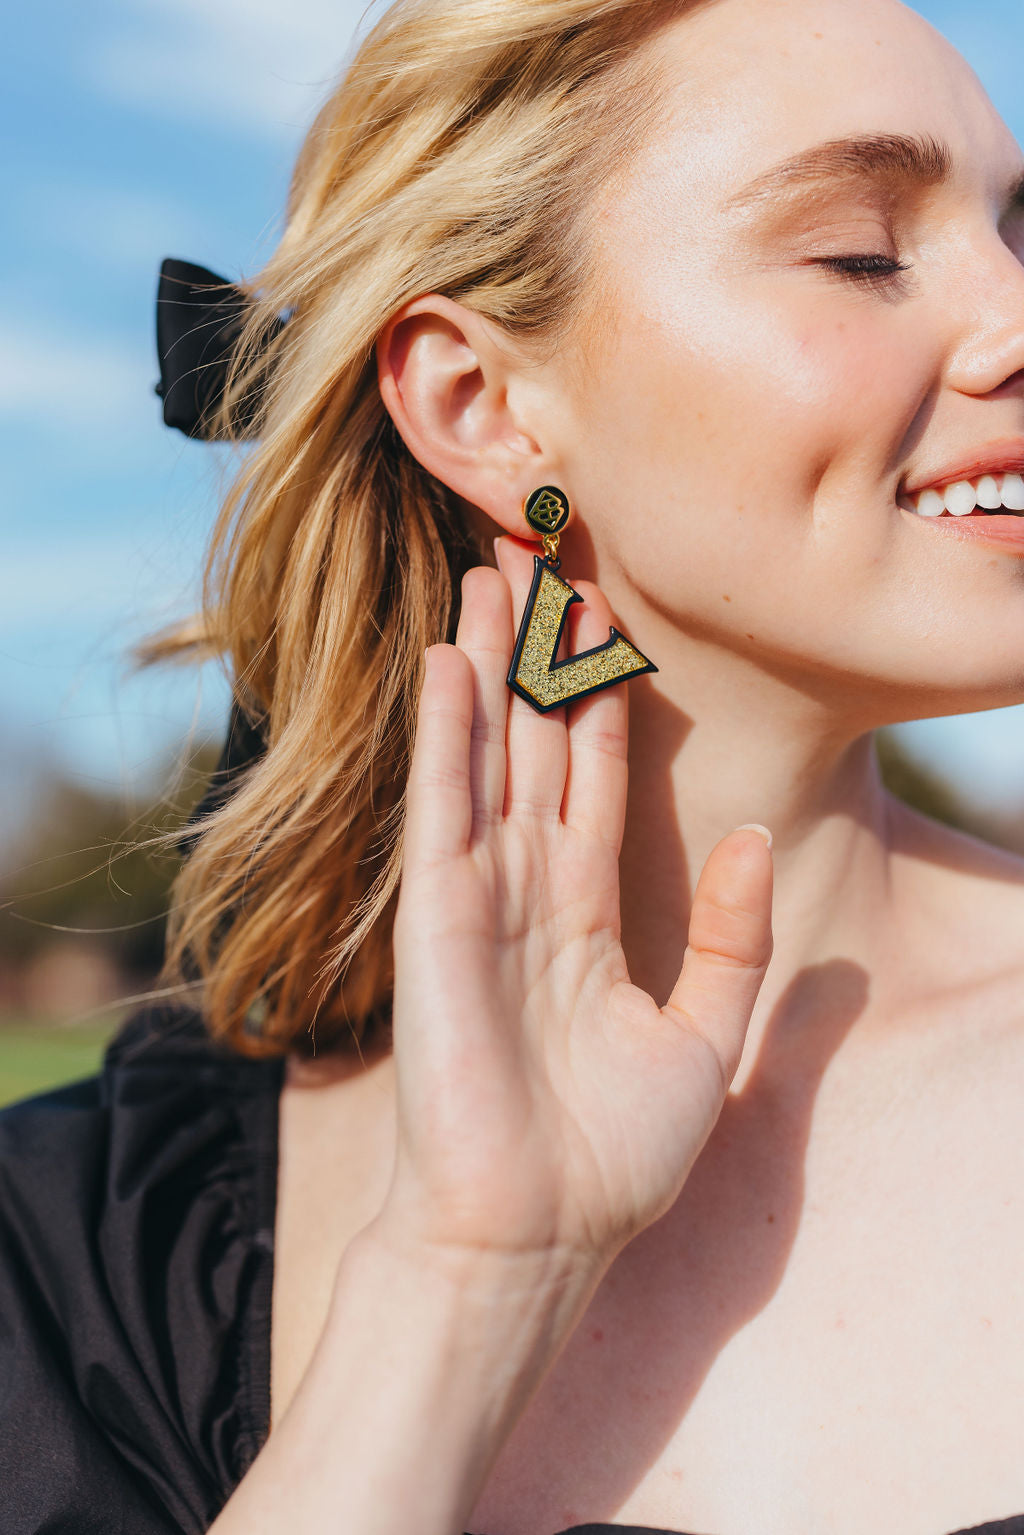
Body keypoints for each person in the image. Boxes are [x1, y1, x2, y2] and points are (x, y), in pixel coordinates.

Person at [3, 0, 1024, 1530]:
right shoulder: (78, 1260)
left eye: (1019, 234)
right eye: (864, 252)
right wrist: (463, 1286)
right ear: (481, 404)